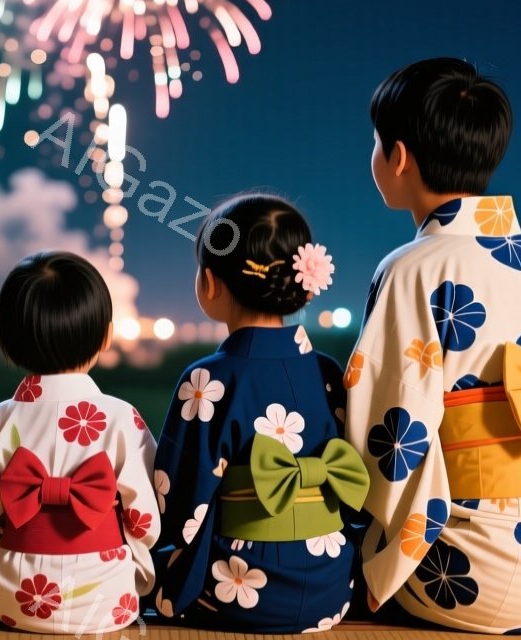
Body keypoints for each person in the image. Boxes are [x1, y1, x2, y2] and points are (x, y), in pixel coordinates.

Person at [345, 58, 521, 634]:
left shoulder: (410, 270)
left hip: (466, 577)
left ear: (398, 157)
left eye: (376, 142)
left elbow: (388, 434)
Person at [151, 194, 365, 633]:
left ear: (210, 283)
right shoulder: (326, 372)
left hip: (241, 594)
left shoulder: (207, 380)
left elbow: (178, 500)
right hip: (332, 586)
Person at [0, 252, 160, 634]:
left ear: (9, 340)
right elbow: (146, 522)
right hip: (106, 600)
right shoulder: (122, 417)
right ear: (106, 336)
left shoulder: (2, 418)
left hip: (11, 597)